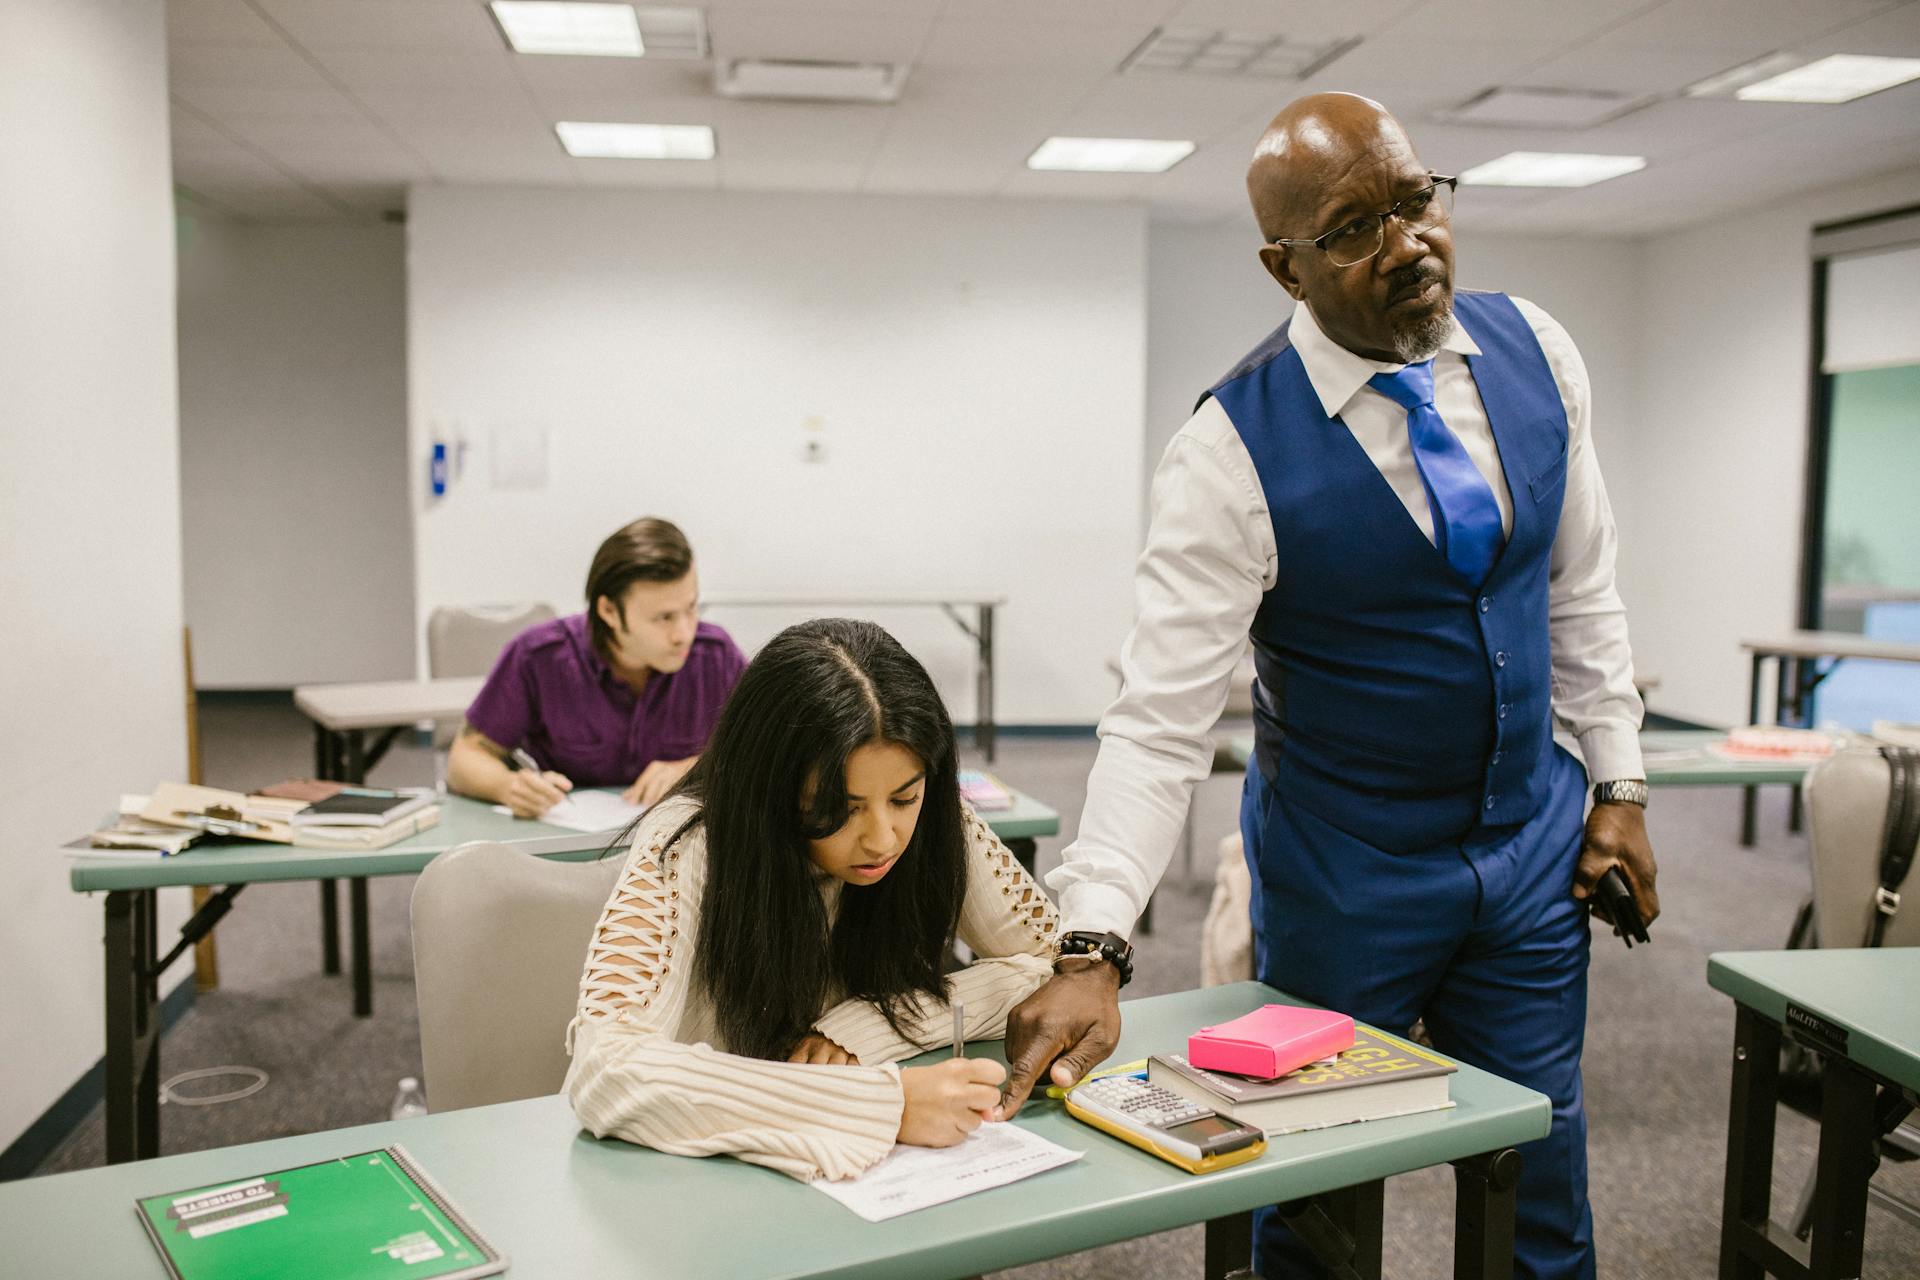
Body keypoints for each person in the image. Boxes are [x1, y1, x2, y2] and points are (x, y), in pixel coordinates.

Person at [995, 94, 1659, 1280]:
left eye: (1417, 199)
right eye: (1356, 227)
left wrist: (1619, 780)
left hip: (1530, 850)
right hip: (1345, 868)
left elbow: (1581, 593)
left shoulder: (1538, 354)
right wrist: (1091, 940)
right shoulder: (1230, 450)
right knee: (1309, 1181)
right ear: (1284, 268)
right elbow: (1158, 722)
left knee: (1540, 1155)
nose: (1407, 242)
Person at [564, 618, 1061, 1179]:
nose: (882, 837)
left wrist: (865, 1026)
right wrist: (885, 1104)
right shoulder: (689, 843)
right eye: (842, 807)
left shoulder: (934, 816)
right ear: (772, 789)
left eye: (905, 798)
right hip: (708, 1177)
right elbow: (606, 1068)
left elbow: (1056, 967)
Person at [447, 517, 746, 818]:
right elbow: (465, 758)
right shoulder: (539, 658)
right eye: (664, 618)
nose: (684, 633)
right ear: (609, 611)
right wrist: (509, 786)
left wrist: (694, 768)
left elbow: (766, 750)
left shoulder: (716, 657)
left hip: (676, 850)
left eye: (692, 608)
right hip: (567, 849)